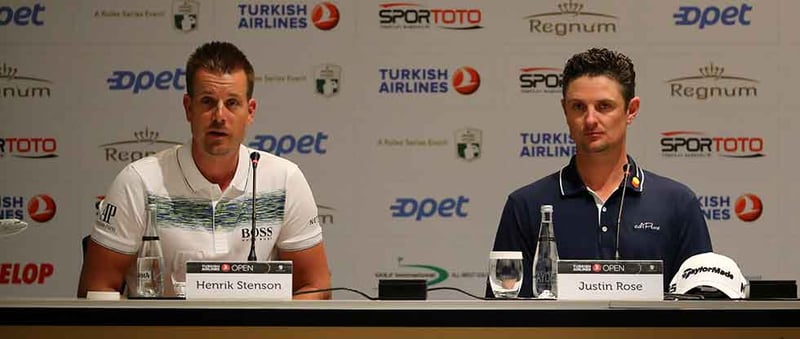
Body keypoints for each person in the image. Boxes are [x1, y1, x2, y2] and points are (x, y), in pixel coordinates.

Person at [78, 41, 331, 299]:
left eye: (232, 103)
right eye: (208, 102)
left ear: (250, 111)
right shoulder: (140, 182)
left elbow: (316, 287)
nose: (219, 116)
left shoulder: (284, 180)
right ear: (189, 108)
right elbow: (96, 290)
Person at [487, 47, 712, 297]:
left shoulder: (677, 204)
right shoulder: (525, 205)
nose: (590, 119)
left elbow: (701, 310)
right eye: (578, 107)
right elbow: (501, 313)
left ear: (631, 110)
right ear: (565, 110)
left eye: (604, 106)